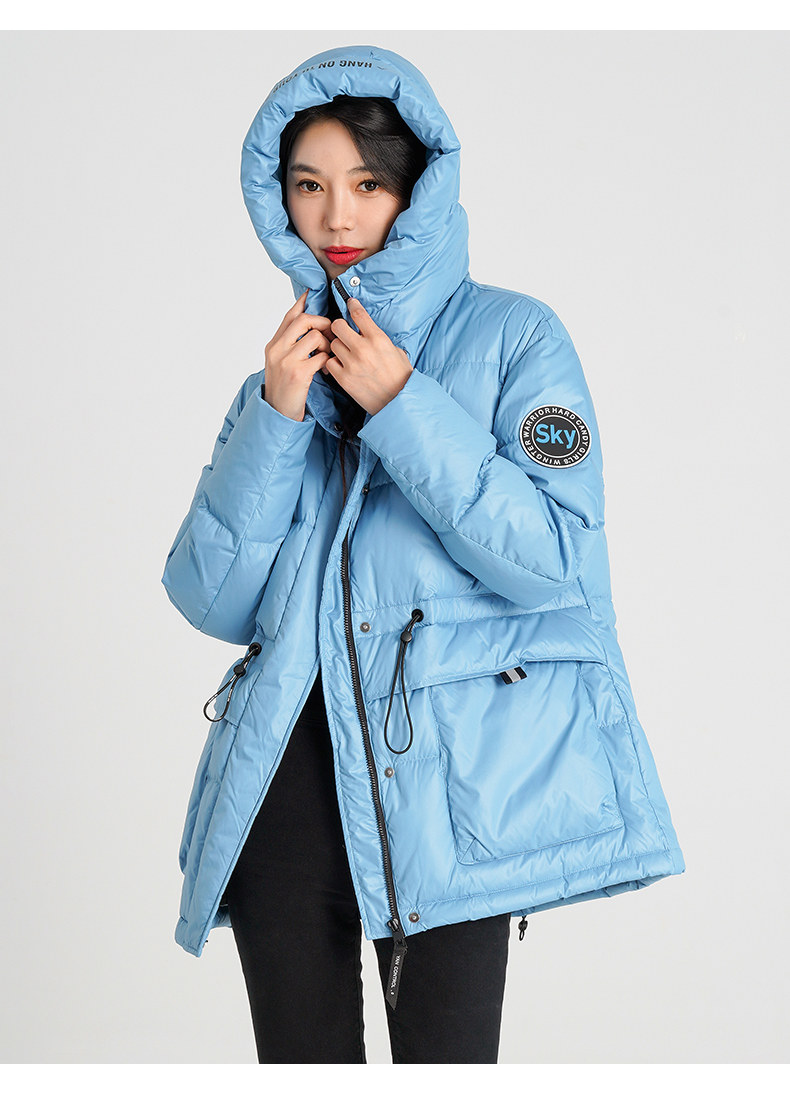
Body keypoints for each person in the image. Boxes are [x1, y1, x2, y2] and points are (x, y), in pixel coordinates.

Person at [161, 45, 685, 1064]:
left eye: (366, 184)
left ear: (416, 190)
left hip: (449, 790)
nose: (336, 216)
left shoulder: (518, 339)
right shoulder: (280, 376)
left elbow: (552, 562)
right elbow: (208, 598)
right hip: (280, 795)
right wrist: (274, 421)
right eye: (308, 185)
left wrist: (403, 406)